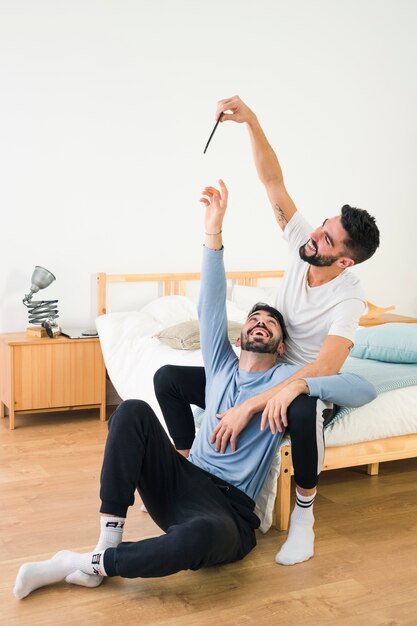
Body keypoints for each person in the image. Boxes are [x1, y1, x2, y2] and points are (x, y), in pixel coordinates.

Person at [14, 182, 376, 600]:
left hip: (227, 511)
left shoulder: (286, 379)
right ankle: (106, 543)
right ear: (239, 337)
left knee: (196, 541)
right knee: (130, 411)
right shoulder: (220, 363)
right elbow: (211, 300)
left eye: (271, 323)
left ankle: (79, 564)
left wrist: (294, 386)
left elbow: (360, 387)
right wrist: (213, 230)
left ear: (281, 346)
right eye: (254, 318)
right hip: (181, 480)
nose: (260, 322)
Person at [154, 95, 380, 566]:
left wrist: (254, 404)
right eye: (321, 225)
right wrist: (251, 120)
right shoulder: (304, 244)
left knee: (301, 408)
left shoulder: (348, 297)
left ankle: (303, 518)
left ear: (343, 261)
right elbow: (272, 180)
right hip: (268, 371)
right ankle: (184, 461)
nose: (313, 234)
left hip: (306, 382)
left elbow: (325, 367)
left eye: (327, 239)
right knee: (169, 381)